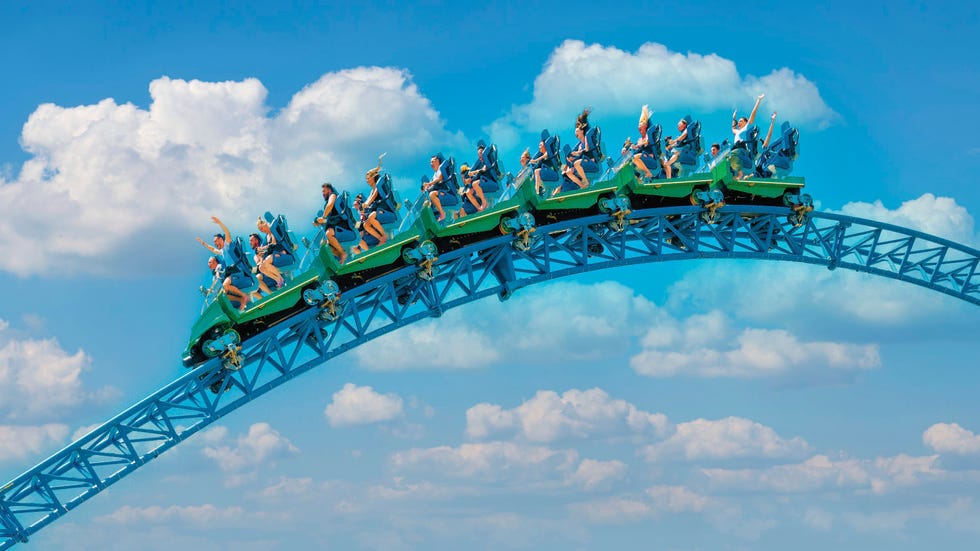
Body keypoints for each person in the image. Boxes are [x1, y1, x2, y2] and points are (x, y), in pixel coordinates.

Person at [196, 216, 267, 311]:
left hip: (238, 271)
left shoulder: (228, 245)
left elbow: (227, 233)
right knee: (224, 293)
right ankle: (247, 301)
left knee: (225, 285)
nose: (215, 243)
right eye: (214, 242)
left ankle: (243, 297)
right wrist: (203, 243)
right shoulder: (221, 251)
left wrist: (220, 223)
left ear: (221, 239)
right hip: (232, 273)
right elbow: (213, 249)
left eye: (217, 241)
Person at [314, 182, 355, 264]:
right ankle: (343, 256)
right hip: (335, 226)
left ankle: (343, 253)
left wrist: (323, 217)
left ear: (329, 190)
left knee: (328, 233)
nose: (323, 194)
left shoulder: (333, 195)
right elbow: (328, 217)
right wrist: (318, 221)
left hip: (342, 225)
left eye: (324, 191)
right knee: (323, 244)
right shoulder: (327, 202)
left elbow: (330, 205)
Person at [360, 154, 392, 244]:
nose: (367, 181)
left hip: (384, 208)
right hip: (379, 209)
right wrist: (363, 206)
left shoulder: (378, 186)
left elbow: (373, 197)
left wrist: (367, 204)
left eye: (368, 178)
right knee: (366, 224)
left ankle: (384, 235)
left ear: (373, 177)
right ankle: (381, 238)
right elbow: (369, 199)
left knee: (371, 216)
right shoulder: (372, 190)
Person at [627, 104, 664, 180]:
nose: (638, 127)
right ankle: (636, 178)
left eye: (640, 125)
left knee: (635, 158)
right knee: (629, 162)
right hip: (643, 158)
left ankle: (648, 173)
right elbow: (635, 148)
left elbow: (647, 142)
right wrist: (629, 148)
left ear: (646, 125)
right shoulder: (639, 140)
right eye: (638, 126)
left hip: (651, 160)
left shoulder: (649, 136)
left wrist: (639, 145)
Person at [421, 154, 455, 222]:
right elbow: (431, 185)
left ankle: (442, 214)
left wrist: (430, 184)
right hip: (440, 193)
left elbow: (440, 178)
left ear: (437, 161)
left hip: (446, 192)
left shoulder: (441, 169)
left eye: (432, 161)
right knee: (426, 204)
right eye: (430, 162)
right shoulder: (434, 175)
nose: (431, 164)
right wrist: (426, 187)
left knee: (432, 194)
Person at [530, 131, 559, 195]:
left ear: (545, 145)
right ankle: (544, 191)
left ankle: (537, 192)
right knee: (535, 174)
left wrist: (535, 160)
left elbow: (545, 155)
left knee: (537, 171)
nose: (539, 147)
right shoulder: (541, 155)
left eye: (540, 145)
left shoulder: (548, 152)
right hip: (547, 173)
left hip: (553, 172)